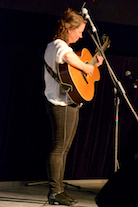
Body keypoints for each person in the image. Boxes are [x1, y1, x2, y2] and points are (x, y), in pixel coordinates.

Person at [44, 8, 103, 206]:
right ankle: (55, 191)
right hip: (60, 104)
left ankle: (59, 190)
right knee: (60, 147)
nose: (80, 35)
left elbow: (77, 69)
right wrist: (88, 66)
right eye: (79, 31)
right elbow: (69, 58)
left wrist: (93, 65)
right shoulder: (59, 45)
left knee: (64, 148)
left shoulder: (62, 47)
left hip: (68, 102)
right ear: (69, 29)